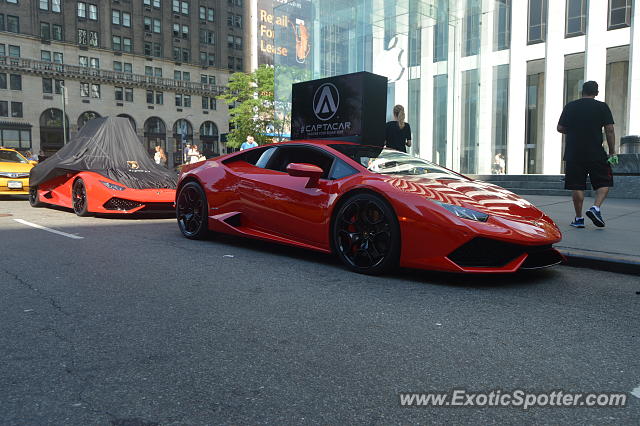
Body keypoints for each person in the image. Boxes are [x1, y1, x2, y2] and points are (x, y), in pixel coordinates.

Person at [557, 80, 616, 228]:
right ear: (596, 93)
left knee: (577, 185)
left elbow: (560, 128)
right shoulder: (602, 107)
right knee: (604, 182)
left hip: (574, 153)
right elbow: (609, 130)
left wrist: (574, 130)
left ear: (582, 91)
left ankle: (579, 219)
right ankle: (595, 208)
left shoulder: (570, 106)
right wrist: (612, 151)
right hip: (596, 152)